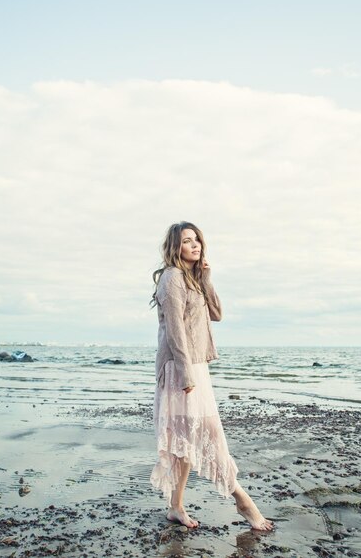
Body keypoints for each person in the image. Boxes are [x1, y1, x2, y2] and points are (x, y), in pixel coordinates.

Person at [149, 221, 273, 532]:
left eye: (197, 240)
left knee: (188, 439)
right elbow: (175, 328)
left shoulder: (191, 279)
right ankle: (243, 500)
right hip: (182, 367)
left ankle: (175, 506)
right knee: (207, 434)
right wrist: (186, 373)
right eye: (187, 241)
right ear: (175, 247)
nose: (195, 245)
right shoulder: (172, 278)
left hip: (194, 366)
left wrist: (206, 276)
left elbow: (217, 313)